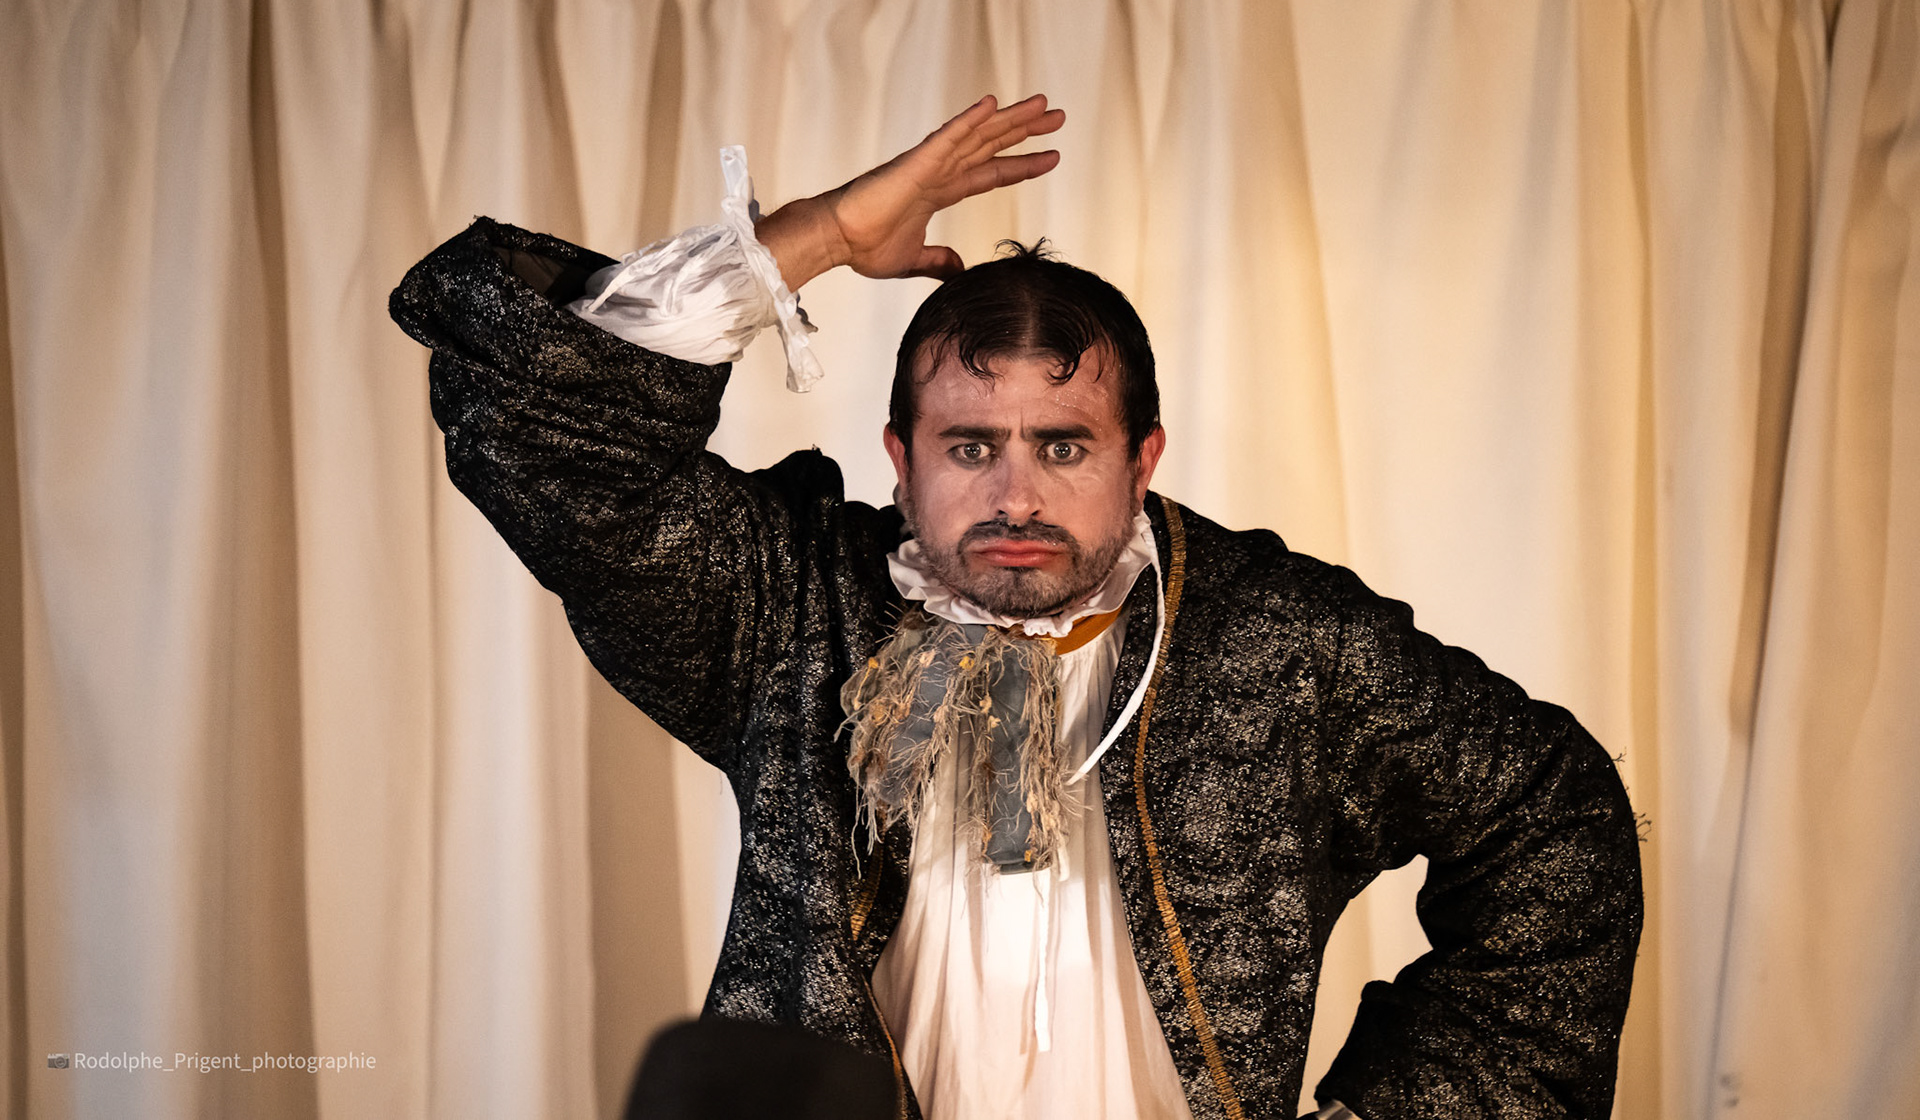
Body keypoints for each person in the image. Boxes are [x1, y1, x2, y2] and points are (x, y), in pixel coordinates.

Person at [389, 95, 1642, 1120]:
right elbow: (540, 430)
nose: (1018, 493)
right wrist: (815, 235)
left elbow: (1557, 819)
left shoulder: (1282, 640)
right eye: (971, 445)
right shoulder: (787, 604)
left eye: (1065, 444)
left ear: (1143, 460)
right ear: (900, 457)